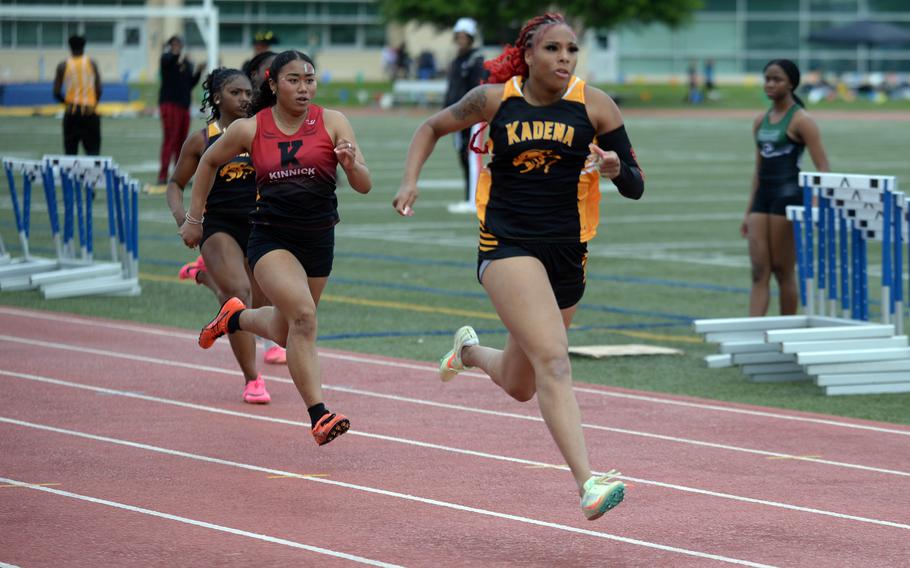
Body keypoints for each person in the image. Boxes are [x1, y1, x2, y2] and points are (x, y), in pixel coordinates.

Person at [392, 12, 644, 520]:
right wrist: (409, 180)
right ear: (528, 54)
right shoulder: (493, 99)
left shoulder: (595, 105)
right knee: (554, 360)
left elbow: (636, 183)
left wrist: (617, 169)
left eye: (571, 50)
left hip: (569, 251)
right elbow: (431, 126)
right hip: (506, 245)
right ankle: (588, 484)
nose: (564, 58)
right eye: (553, 49)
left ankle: (467, 352)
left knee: (521, 383)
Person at [179, 50, 372, 446]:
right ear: (272, 84)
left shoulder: (333, 121)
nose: (304, 88)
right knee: (303, 318)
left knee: (287, 331)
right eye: (294, 80)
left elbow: (365, 184)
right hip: (270, 239)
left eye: (310, 80)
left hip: (319, 238)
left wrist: (351, 165)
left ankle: (234, 319)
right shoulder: (251, 129)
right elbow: (208, 164)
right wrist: (194, 218)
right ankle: (319, 415)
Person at [165, 67, 275, 402]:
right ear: (217, 98)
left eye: (247, 93)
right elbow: (175, 184)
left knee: (263, 302)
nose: (244, 98)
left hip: (260, 225)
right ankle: (253, 379)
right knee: (239, 295)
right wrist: (185, 219)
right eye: (235, 93)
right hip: (219, 227)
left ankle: (204, 276)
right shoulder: (202, 139)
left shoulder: (261, 132)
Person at [742, 59, 830, 317]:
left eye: (777, 79)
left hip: (789, 196)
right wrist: (747, 212)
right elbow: (758, 170)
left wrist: (814, 204)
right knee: (759, 271)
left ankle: (786, 331)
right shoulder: (760, 121)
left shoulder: (802, 120)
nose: (770, 84)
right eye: (767, 78)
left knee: (782, 270)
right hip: (763, 197)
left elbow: (823, 167)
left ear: (791, 83)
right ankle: (753, 336)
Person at [444, 17, 486, 214]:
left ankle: (474, 200)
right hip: (455, 116)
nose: (461, 39)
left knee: (471, 158)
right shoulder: (458, 60)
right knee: (463, 157)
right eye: (458, 36)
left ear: (470, 37)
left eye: (464, 36)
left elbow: (477, 89)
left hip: (470, 117)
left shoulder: (475, 60)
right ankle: (470, 197)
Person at [157, 35, 204, 185]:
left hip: (183, 105)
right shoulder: (166, 59)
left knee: (181, 141)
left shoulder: (187, 63)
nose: (176, 46)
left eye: (179, 44)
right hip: (170, 103)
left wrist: (198, 72)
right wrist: (176, 54)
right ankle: (163, 175)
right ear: (170, 46)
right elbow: (168, 61)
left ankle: (179, 175)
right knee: (170, 139)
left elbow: (190, 84)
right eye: (174, 44)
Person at [53, 35, 102, 156]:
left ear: (70, 48)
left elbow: (56, 92)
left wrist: (67, 103)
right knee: (93, 154)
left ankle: (70, 175)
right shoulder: (91, 63)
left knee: (70, 154)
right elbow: (99, 89)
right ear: (84, 47)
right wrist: (93, 104)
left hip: (71, 114)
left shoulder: (63, 65)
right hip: (89, 113)